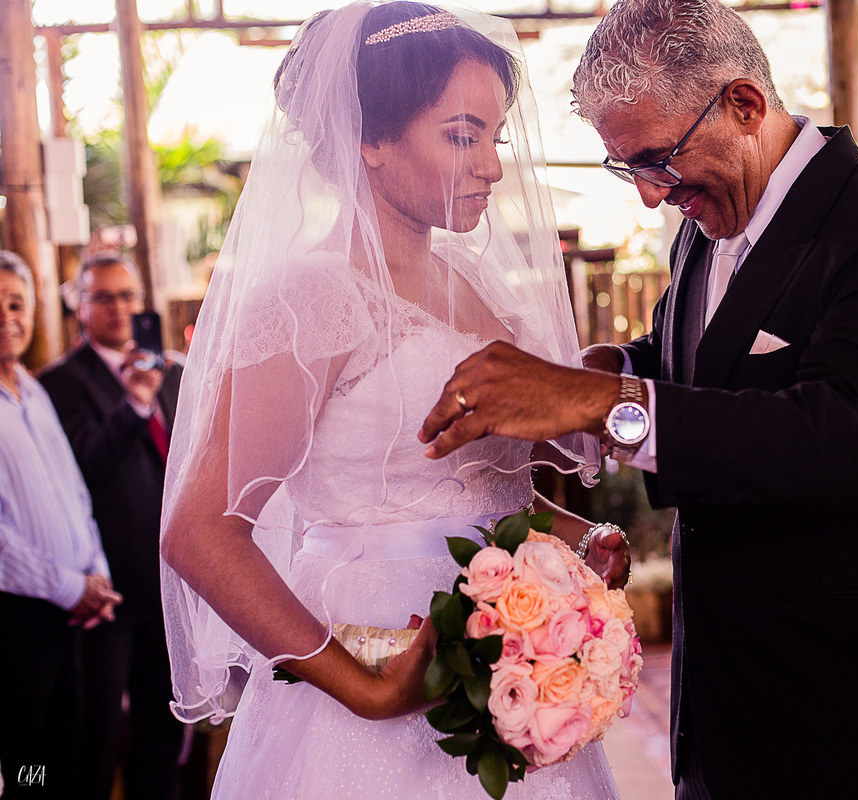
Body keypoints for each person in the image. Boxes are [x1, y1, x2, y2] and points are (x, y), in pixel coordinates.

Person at [420, 0, 858, 796]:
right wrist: (607, 365)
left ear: (744, 104)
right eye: (627, 167)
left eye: (657, 159)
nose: (648, 194)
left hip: (844, 707)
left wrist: (597, 399)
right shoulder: (703, 218)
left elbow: (844, 438)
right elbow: (704, 366)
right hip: (721, 695)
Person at [158, 3, 626, 798]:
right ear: (367, 141)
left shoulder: (476, 284)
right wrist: (359, 685)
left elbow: (480, 490)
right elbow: (201, 530)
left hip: (507, 665)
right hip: (375, 664)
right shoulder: (312, 297)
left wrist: (577, 542)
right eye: (461, 135)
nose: (491, 167)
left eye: (495, 137)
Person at [39, 252, 184, 800]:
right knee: (94, 736)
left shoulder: (167, 371)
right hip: (107, 586)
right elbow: (81, 464)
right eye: (104, 296)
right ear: (79, 303)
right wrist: (131, 405)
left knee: (163, 730)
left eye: (127, 295)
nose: (119, 308)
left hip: (168, 580)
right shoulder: (58, 383)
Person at [0, 251, 121, 798]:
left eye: (16, 303)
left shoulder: (35, 389)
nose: (7, 317)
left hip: (70, 613)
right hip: (17, 617)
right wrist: (71, 587)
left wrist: (95, 573)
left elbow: (75, 492)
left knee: (68, 752)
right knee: (26, 764)